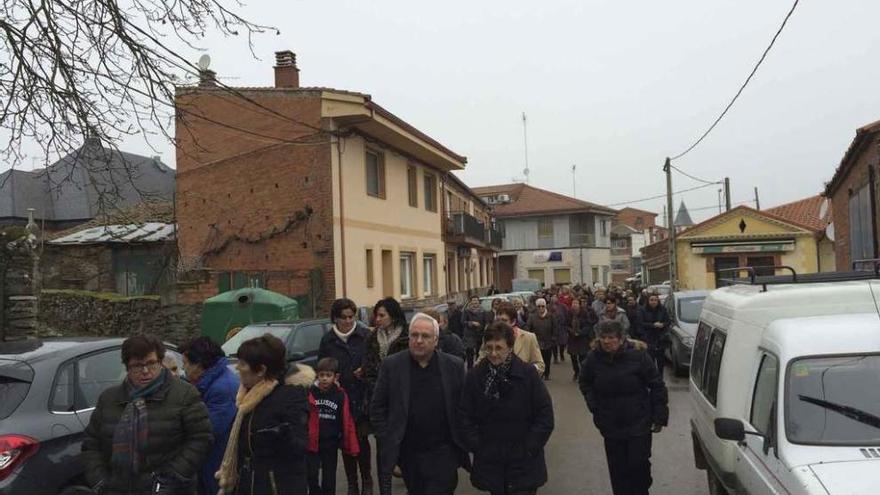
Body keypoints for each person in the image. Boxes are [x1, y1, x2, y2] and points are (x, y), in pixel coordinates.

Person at [81, 334, 213, 495]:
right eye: (137, 365)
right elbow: (91, 444)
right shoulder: (109, 399)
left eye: (151, 363)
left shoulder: (184, 394)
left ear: (160, 362)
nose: (145, 371)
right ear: (127, 367)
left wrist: (171, 477)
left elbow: (201, 438)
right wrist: (100, 481)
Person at [370, 313, 468, 495]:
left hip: (443, 452)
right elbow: (377, 408)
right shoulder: (392, 366)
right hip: (409, 453)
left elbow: (464, 408)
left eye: (425, 336)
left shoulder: (453, 366)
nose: (419, 340)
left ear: (436, 340)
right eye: (414, 335)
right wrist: (387, 438)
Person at [460, 322, 555, 495]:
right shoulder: (475, 377)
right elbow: (465, 415)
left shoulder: (527, 374)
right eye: (489, 348)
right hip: (491, 459)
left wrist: (529, 447)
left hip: (524, 460)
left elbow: (545, 415)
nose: (494, 353)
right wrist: (478, 445)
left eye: (499, 348)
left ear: (510, 347)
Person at [579, 321, 668, 495]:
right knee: (618, 470)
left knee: (639, 466)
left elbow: (656, 384)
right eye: (603, 337)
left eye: (611, 337)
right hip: (610, 425)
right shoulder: (593, 358)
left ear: (621, 339)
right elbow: (585, 382)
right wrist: (595, 406)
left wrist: (659, 416)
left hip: (639, 422)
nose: (606, 341)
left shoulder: (638, 356)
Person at [215, 334, 310, 495]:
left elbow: (300, 448)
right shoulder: (246, 396)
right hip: (247, 482)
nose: (237, 368)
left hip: (276, 486)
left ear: (261, 370)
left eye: (243, 364)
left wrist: (283, 435)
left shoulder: (290, 397)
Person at [319, 298, 373, 495]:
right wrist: (330, 379)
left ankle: (367, 479)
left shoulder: (365, 335)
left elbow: (375, 362)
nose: (349, 321)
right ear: (336, 318)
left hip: (362, 396)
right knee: (345, 441)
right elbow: (322, 367)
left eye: (352, 317)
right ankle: (352, 483)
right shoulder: (328, 340)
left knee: (361, 439)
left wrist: (366, 370)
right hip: (340, 398)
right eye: (344, 317)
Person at [180, 336, 239, 495]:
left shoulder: (222, 388)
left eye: (185, 363)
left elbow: (209, 429)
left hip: (216, 463)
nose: (183, 368)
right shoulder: (208, 382)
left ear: (198, 365)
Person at [308, 357, 361, 495]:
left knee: (329, 476)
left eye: (328, 375)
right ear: (317, 375)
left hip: (330, 442)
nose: (324, 379)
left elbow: (346, 419)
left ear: (336, 376)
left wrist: (349, 443)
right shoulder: (311, 392)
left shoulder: (340, 395)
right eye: (321, 375)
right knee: (311, 475)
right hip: (312, 442)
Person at [477, 302, 545, 375]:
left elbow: (540, 366)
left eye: (504, 320)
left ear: (513, 322)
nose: (500, 324)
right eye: (497, 320)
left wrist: (525, 371)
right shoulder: (489, 337)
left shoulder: (529, 338)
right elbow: (479, 361)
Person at [636, 294, 671, 379]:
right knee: (650, 360)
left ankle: (660, 379)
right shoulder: (642, 310)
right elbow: (640, 323)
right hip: (648, 338)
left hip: (660, 338)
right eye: (651, 300)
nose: (653, 302)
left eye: (655, 300)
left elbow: (668, 321)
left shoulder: (662, 309)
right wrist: (653, 325)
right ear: (648, 301)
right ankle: (650, 378)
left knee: (660, 361)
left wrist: (663, 324)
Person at [524, 298, 556, 381]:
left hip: (548, 341)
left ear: (545, 306)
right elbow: (528, 327)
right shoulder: (532, 317)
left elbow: (554, 328)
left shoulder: (550, 316)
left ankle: (547, 373)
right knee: (538, 359)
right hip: (537, 341)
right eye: (539, 306)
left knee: (547, 359)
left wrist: (553, 338)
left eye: (542, 306)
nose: (541, 308)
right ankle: (539, 374)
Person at [568, 298, 597, 381]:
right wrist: (571, 331)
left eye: (576, 303)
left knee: (582, 357)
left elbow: (588, 325)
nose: (574, 304)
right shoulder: (569, 313)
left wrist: (580, 332)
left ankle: (583, 373)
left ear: (579, 304)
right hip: (572, 338)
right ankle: (576, 372)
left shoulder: (585, 313)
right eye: (573, 303)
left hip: (582, 338)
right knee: (573, 357)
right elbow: (566, 324)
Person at [462, 295, 487, 370]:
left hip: (479, 334)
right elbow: (463, 322)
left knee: (479, 353)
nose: (475, 303)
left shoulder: (483, 311)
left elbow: (485, 322)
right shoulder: (466, 311)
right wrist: (471, 323)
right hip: (469, 335)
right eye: (473, 301)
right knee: (470, 354)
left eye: (476, 301)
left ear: (479, 302)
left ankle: (478, 368)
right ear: (470, 302)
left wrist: (482, 327)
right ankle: (470, 370)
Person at [551, 296, 570, 364]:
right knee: (554, 344)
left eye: (555, 298)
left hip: (562, 327)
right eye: (552, 298)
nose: (554, 299)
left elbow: (567, 315)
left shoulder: (563, 306)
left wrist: (567, 325)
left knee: (562, 343)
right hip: (553, 328)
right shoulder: (549, 307)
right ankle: (555, 357)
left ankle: (561, 354)